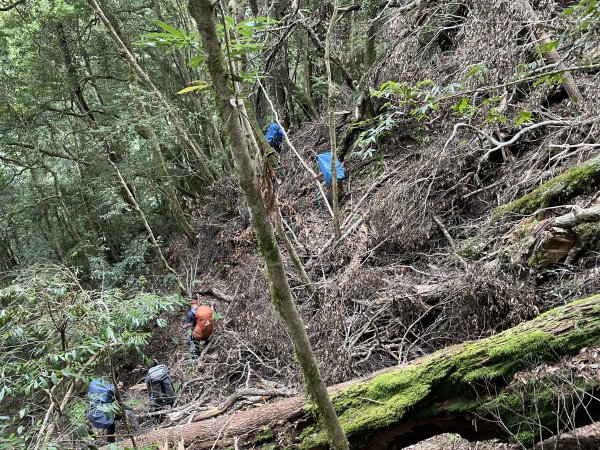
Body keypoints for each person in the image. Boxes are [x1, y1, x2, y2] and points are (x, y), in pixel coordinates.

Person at [86, 377, 137, 443]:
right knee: (130, 413)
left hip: (92, 416)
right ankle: (138, 433)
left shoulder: (92, 388)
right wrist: (131, 409)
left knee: (109, 415)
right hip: (104, 418)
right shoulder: (112, 388)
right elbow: (120, 404)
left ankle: (110, 440)